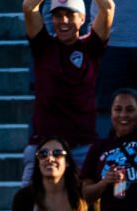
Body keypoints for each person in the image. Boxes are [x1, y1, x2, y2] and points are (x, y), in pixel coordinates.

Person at [21, 0, 114, 184]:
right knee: (26, 204)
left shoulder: (91, 47)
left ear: (82, 19)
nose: (63, 21)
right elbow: (28, 7)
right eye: (57, 15)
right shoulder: (43, 46)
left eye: (70, 15)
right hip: (44, 147)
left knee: (90, 208)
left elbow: (108, 7)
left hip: (82, 147)